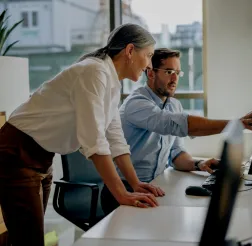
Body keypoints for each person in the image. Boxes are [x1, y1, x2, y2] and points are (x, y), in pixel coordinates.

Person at [0, 24, 165, 246]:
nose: (149, 64)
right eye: (149, 56)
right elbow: (94, 141)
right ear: (129, 51)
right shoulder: (94, 72)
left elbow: (114, 138)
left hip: (41, 156)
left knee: (25, 236)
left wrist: (134, 184)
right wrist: (120, 194)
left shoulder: (111, 83)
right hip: (16, 152)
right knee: (28, 240)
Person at [100, 48, 252, 215]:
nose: (174, 79)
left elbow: (176, 154)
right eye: (169, 72)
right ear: (150, 73)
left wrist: (199, 164)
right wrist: (235, 124)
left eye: (178, 73)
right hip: (123, 189)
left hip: (155, 185)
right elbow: (179, 125)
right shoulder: (136, 104)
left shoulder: (173, 105)